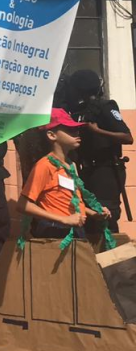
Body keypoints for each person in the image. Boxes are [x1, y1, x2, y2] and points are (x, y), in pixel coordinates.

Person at [17, 108, 111, 240]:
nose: (76, 133)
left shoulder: (70, 165)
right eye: (70, 129)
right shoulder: (44, 166)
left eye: (76, 129)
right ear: (51, 135)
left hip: (74, 230)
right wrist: (64, 219)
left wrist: (93, 213)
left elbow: (71, 201)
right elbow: (23, 204)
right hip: (53, 231)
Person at [65, 69, 133, 233]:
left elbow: (127, 137)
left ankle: (113, 256)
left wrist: (97, 131)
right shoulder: (77, 111)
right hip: (86, 170)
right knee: (88, 216)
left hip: (106, 170)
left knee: (105, 214)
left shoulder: (105, 107)